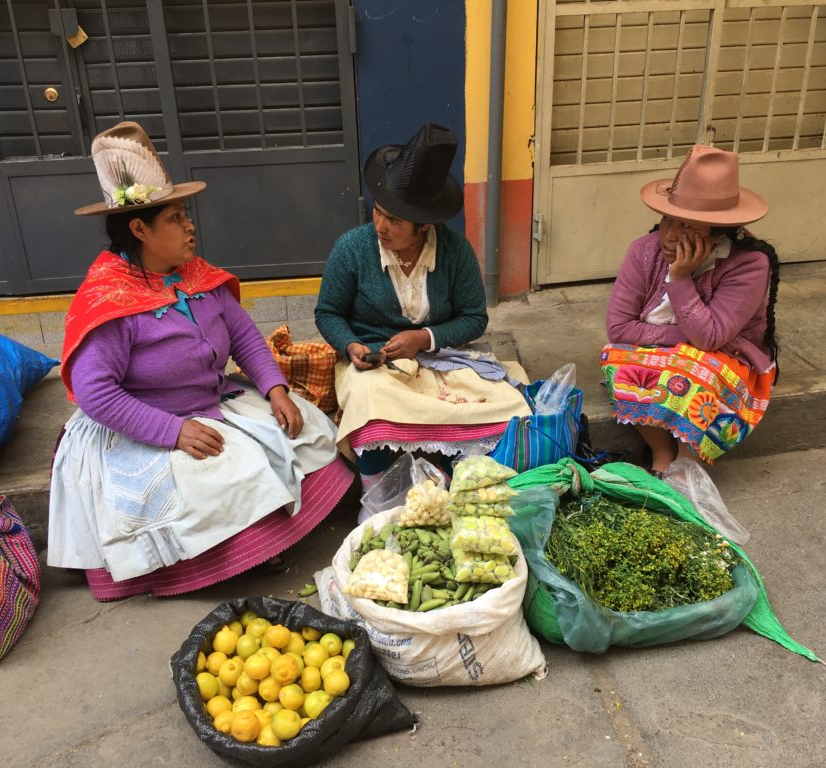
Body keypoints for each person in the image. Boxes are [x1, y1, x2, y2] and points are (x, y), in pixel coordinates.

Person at [48, 121, 352, 601]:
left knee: (307, 428)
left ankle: (266, 537)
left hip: (210, 397)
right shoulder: (109, 300)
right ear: (139, 229)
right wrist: (173, 432)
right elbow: (95, 393)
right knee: (222, 470)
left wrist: (275, 388)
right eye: (175, 218)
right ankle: (232, 556)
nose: (190, 226)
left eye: (185, 214)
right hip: (145, 421)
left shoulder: (194, 276)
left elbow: (244, 336)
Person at [314, 123, 530, 508]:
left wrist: (425, 338)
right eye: (378, 212)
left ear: (424, 227)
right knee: (372, 402)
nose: (381, 226)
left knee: (504, 401)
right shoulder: (351, 249)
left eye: (394, 221)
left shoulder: (454, 250)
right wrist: (351, 345)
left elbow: (473, 319)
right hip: (374, 364)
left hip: (442, 358)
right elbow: (328, 312)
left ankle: (461, 485)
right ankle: (378, 496)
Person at [601, 144, 780, 475]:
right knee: (620, 364)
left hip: (726, 358)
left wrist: (680, 279)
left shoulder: (750, 265)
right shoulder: (643, 251)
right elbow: (619, 328)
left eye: (687, 227)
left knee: (691, 373)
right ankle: (661, 453)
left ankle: (687, 460)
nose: (670, 235)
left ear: (717, 232)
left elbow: (710, 338)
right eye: (668, 220)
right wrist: (680, 341)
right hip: (674, 348)